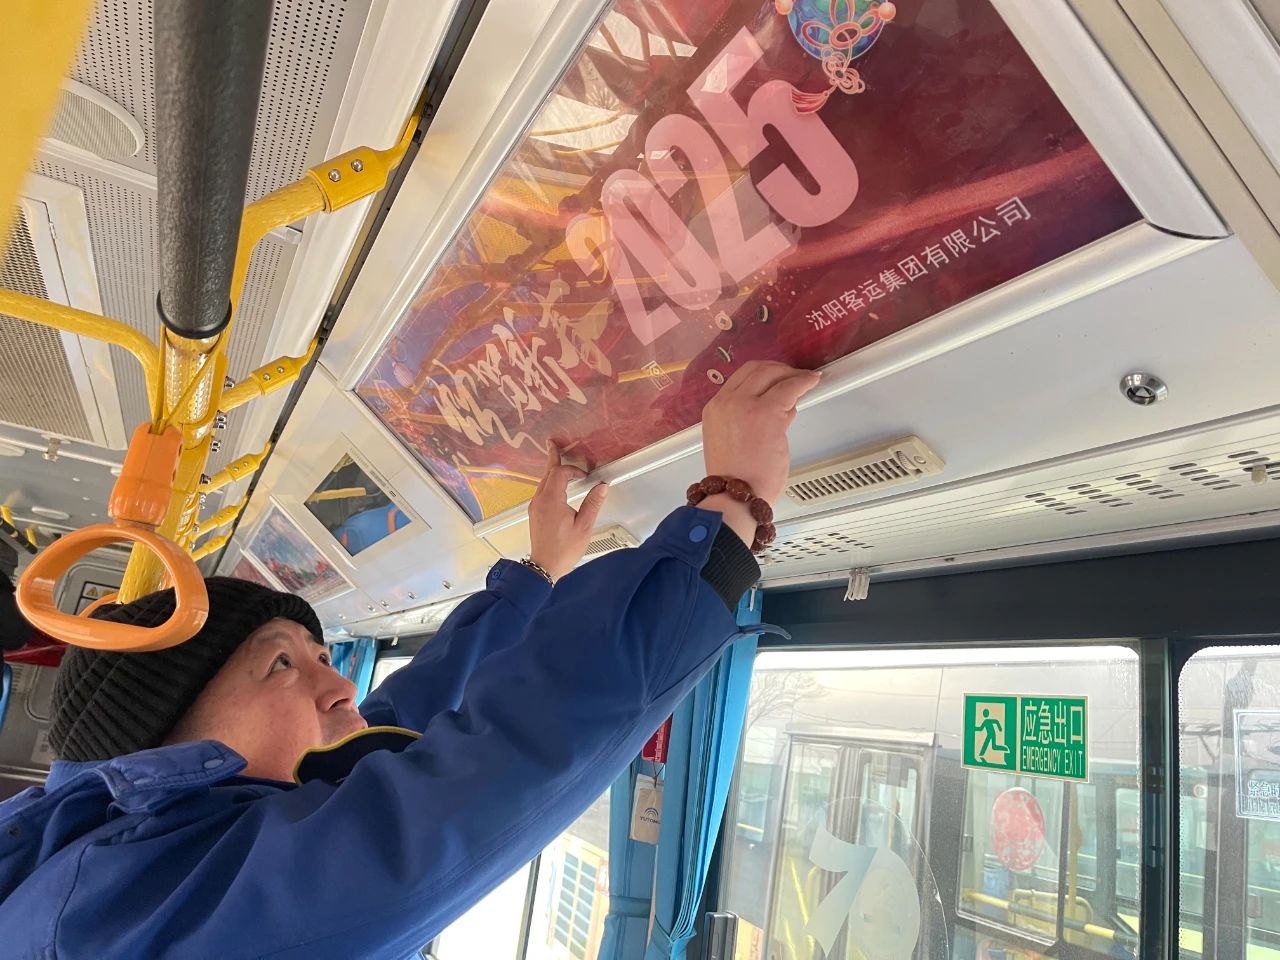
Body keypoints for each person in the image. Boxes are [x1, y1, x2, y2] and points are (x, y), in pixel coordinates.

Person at [0, 361, 819, 959]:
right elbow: (491, 775)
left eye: (322, 655)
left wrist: (534, 579)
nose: (339, 684)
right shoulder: (121, 919)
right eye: (280, 664)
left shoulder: (138, 839)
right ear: (167, 734)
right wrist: (730, 508)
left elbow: (392, 726)